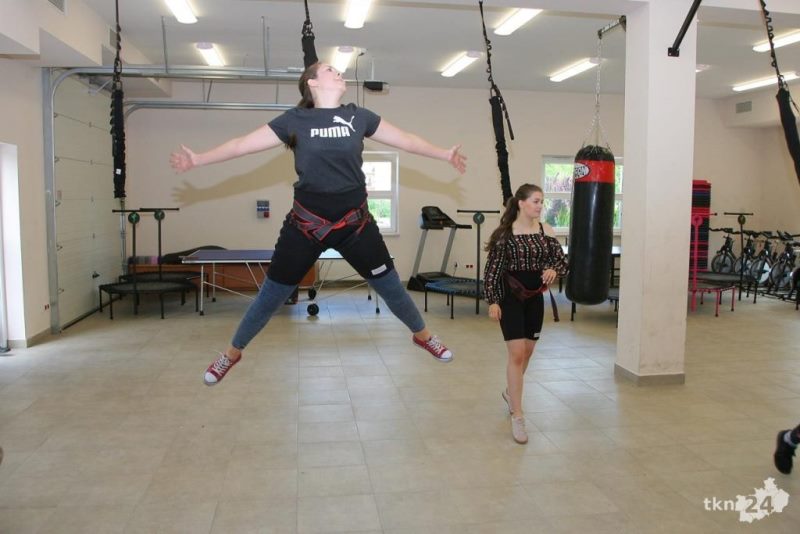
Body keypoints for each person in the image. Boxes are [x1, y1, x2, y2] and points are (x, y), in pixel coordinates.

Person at [170, 62, 466, 386]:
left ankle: (423, 336)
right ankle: (231, 353)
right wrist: (198, 159)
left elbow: (406, 140)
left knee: (390, 286)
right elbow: (241, 145)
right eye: (330, 69)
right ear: (311, 82)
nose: (339, 72)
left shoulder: (358, 116)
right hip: (305, 227)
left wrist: (443, 154)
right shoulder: (294, 120)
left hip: (355, 225)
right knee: (271, 295)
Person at [483, 184, 568, 443]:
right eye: (535, 201)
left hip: (534, 299)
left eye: (542, 201)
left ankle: (511, 392)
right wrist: (493, 301)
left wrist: (553, 269)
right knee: (517, 354)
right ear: (521, 203)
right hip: (510, 299)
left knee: (528, 352)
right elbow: (492, 271)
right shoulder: (505, 234)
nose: (540, 206)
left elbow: (562, 261)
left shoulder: (546, 230)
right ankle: (517, 414)